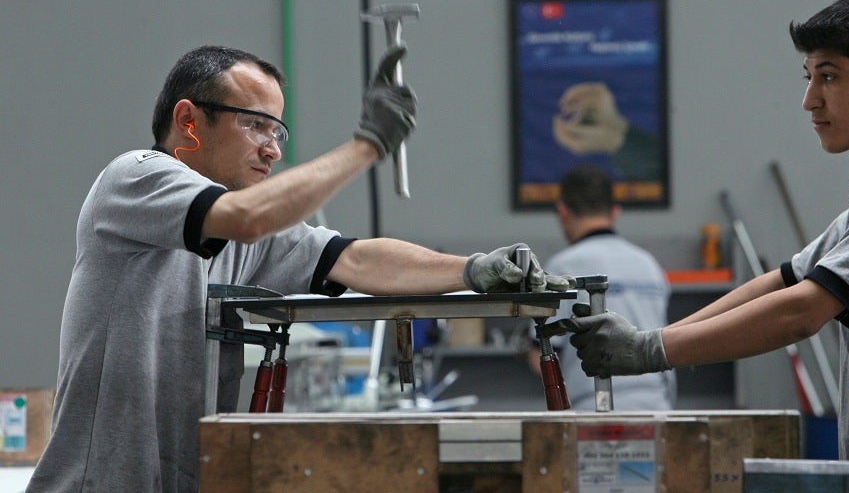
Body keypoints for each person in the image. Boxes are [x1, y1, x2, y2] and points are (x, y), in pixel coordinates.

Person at [27, 45, 573, 492]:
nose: (272, 150)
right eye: (257, 125)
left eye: (278, 132)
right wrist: (369, 146)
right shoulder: (137, 177)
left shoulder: (244, 226)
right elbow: (246, 216)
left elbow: (354, 259)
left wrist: (474, 270)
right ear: (189, 120)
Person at [565, 0, 849, 461]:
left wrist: (651, 349)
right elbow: (782, 283)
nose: (809, 101)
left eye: (829, 77)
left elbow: (800, 312)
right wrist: (645, 344)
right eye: (809, 77)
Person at [530, 164, 675, 410]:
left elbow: (542, 353)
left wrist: (526, 352)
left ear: (562, 211)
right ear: (615, 212)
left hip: (594, 407)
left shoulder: (562, 267)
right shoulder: (650, 266)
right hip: (656, 404)